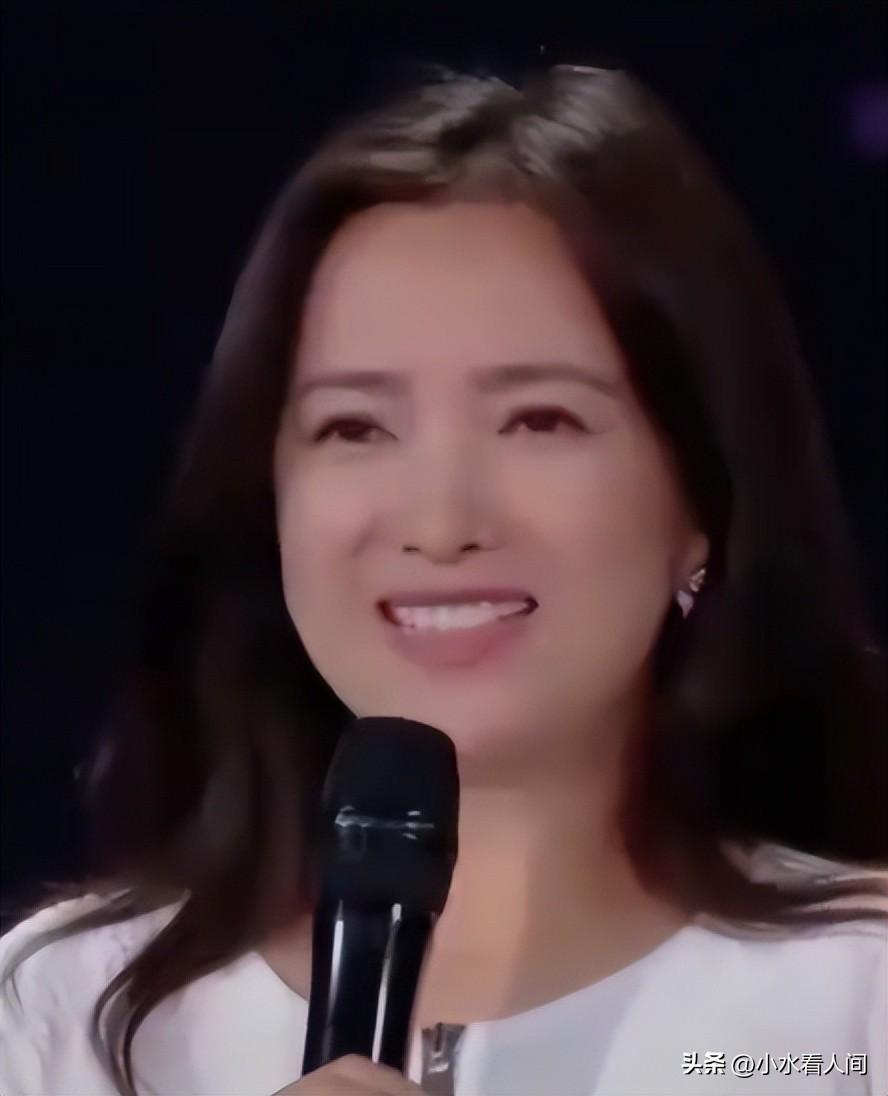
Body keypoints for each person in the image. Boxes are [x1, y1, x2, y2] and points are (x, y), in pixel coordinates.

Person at [1, 62, 886, 1096]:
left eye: (540, 420)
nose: (440, 523)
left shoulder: (855, 1004)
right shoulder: (66, 1018)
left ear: (701, 494)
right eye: (355, 427)